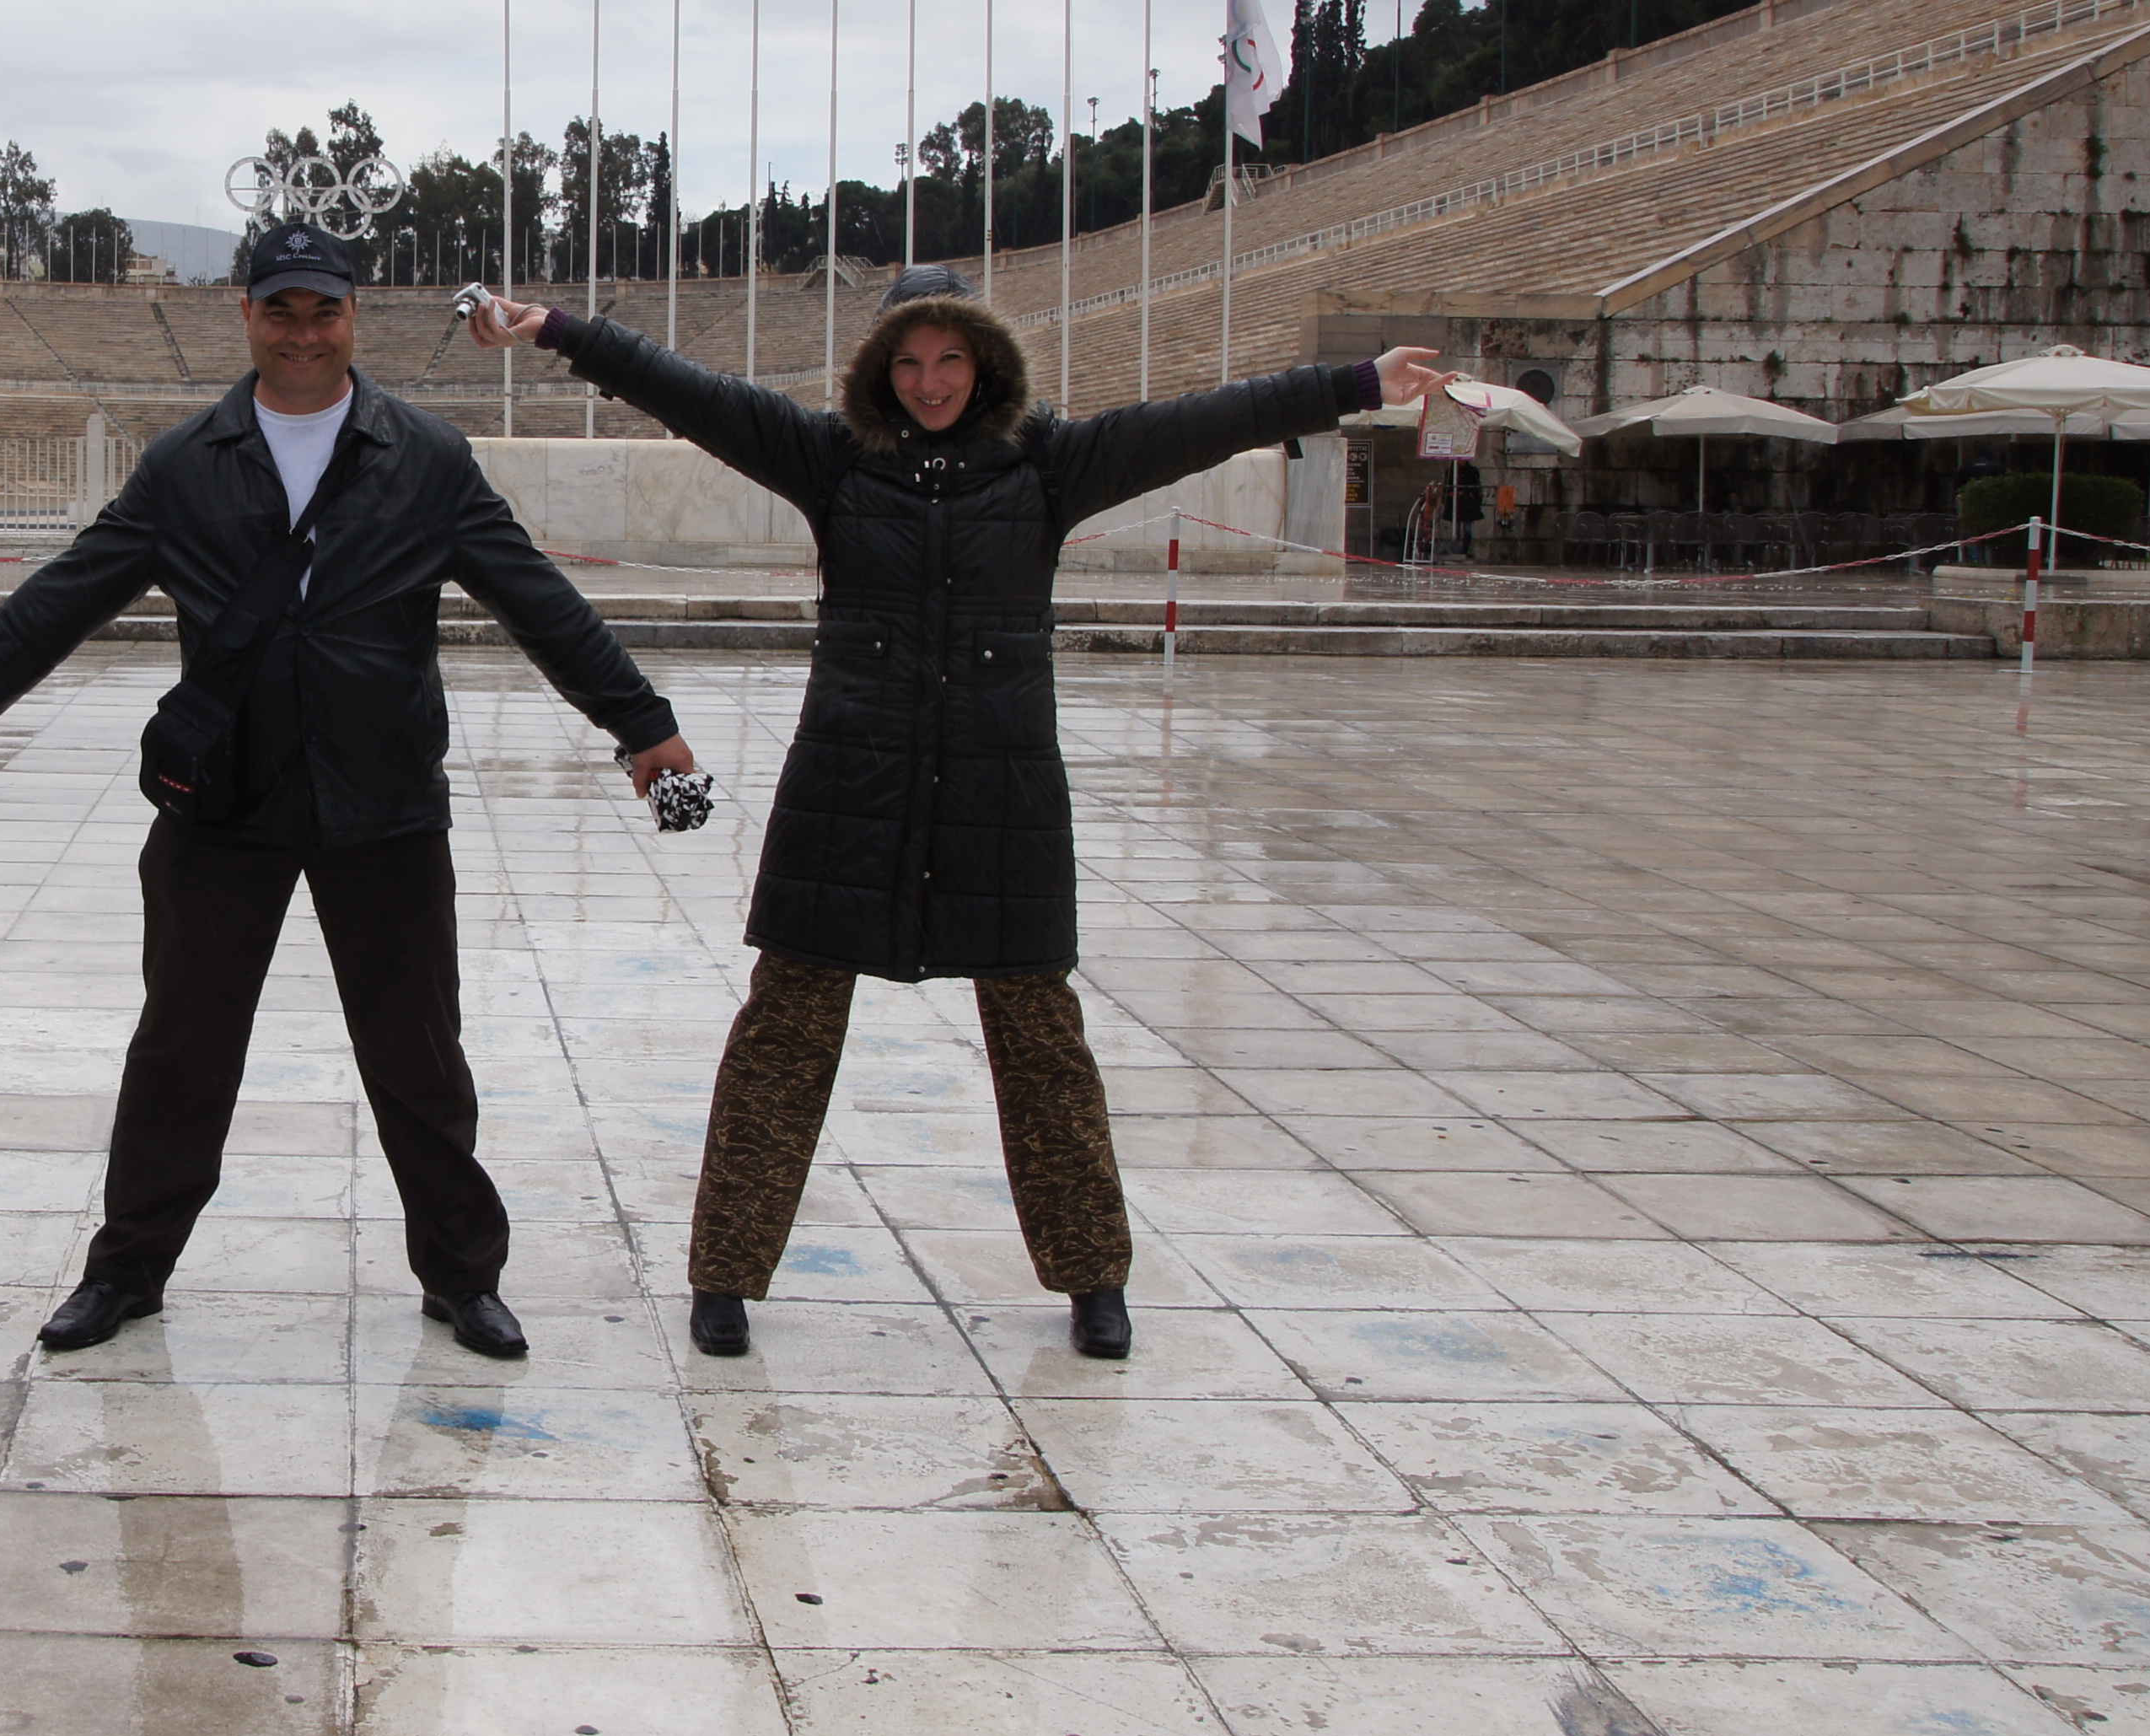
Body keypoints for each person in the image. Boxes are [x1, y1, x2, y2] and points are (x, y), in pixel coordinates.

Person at [472, 267, 1449, 1361]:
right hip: (848, 792)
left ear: (984, 363)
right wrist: (558, 330)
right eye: (907, 361)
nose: (929, 382)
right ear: (879, 369)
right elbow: (688, 392)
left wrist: (1359, 383)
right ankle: (725, 1275)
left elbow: (1207, 422)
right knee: (783, 1036)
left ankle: (1093, 1278)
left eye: (948, 359)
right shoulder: (832, 460)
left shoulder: (1051, 464)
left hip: (1001, 797)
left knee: (1043, 1045)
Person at [0, 223, 701, 1361]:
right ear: (248, 316)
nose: (303, 334)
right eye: (282, 311)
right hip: (225, 801)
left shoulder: (424, 457)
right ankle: (126, 1270)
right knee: (181, 1048)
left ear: (354, 316)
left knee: (419, 1054)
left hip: (384, 804)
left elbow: (535, 597)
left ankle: (462, 1277)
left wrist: (641, 723)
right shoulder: (186, 463)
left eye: (324, 311)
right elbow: (71, 590)